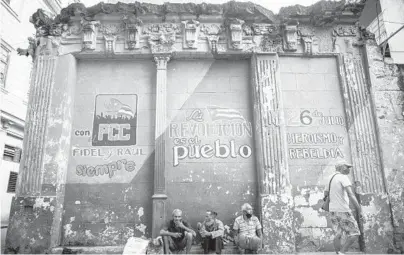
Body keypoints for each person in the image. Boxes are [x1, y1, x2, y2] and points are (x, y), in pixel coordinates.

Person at [324, 162, 363, 255]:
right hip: (343, 210)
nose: (349, 169)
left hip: (333, 210)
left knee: (338, 234)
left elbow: (325, 194)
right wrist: (359, 209)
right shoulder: (343, 177)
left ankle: (338, 253)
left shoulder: (329, 178)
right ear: (341, 167)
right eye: (347, 167)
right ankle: (342, 252)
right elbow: (351, 194)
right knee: (355, 233)